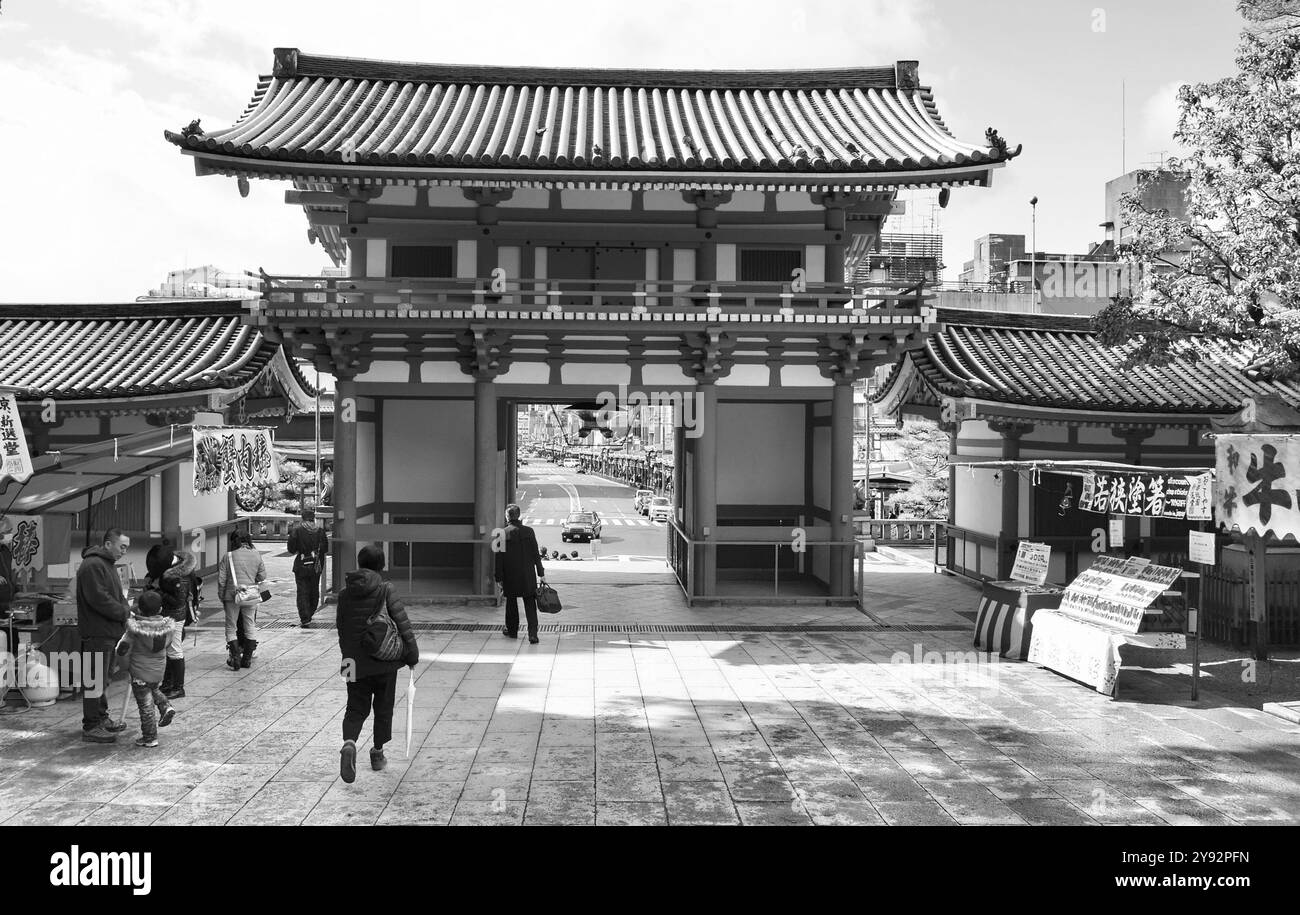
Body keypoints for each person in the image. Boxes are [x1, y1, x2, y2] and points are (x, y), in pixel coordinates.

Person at [336, 545, 418, 783]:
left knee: (354, 707)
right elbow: (403, 623)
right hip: (384, 661)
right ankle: (377, 753)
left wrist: (347, 658)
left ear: (360, 563)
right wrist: (411, 654)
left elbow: (341, 629)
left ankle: (349, 743)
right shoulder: (385, 589)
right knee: (383, 707)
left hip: (351, 661)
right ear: (381, 565)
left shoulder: (344, 593)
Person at [76, 529, 132, 743]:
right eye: (122, 546)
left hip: (108, 631)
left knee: (104, 678)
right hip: (97, 631)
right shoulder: (92, 565)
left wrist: (126, 610)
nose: (124, 551)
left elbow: (118, 595)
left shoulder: (106, 564)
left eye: (127, 547)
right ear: (108, 544)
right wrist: (123, 612)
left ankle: (101, 717)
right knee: (95, 679)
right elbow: (99, 599)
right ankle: (91, 725)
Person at [119, 590, 177, 748]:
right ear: (160, 610)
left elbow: (123, 650)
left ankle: (150, 737)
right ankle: (165, 706)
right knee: (153, 688)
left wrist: (125, 669)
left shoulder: (134, 630)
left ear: (139, 610)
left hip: (139, 671)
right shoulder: (168, 629)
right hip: (158, 670)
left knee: (145, 706)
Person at [144, 540, 196, 699]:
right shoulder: (169, 569)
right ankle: (167, 684)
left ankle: (178, 687)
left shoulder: (180, 576)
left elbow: (177, 602)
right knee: (167, 650)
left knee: (175, 650)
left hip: (176, 616)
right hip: (168, 615)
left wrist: (158, 592)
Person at [494, 503, 546, 645]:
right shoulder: (529, 532)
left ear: (507, 516)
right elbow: (536, 554)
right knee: (530, 603)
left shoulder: (500, 533)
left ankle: (512, 631)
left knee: (511, 602)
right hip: (527, 574)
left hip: (509, 575)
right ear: (519, 516)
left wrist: (498, 577)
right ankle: (533, 634)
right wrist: (541, 573)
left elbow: (498, 558)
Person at [217, 532, 265, 671]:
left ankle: (235, 658)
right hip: (250, 596)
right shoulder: (256, 554)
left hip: (232, 596)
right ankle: (247, 659)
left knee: (231, 627)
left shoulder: (229, 556)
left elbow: (222, 580)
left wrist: (222, 596)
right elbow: (262, 575)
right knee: (250, 625)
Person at [288, 507, 328, 628]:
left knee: (302, 592)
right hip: (316, 565)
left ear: (303, 518)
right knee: (314, 589)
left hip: (301, 564)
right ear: (313, 518)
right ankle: (310, 613)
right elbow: (325, 549)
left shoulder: (297, 530)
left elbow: (291, 549)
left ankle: (305, 618)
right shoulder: (320, 531)